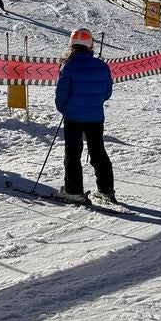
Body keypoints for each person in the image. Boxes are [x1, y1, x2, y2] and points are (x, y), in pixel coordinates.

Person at [55, 27, 116, 203]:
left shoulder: (68, 67)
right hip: (95, 116)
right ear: (90, 46)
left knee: (73, 154)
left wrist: (64, 108)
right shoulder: (102, 66)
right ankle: (106, 190)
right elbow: (107, 93)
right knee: (98, 152)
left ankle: (73, 190)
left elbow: (61, 95)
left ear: (72, 46)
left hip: (73, 117)